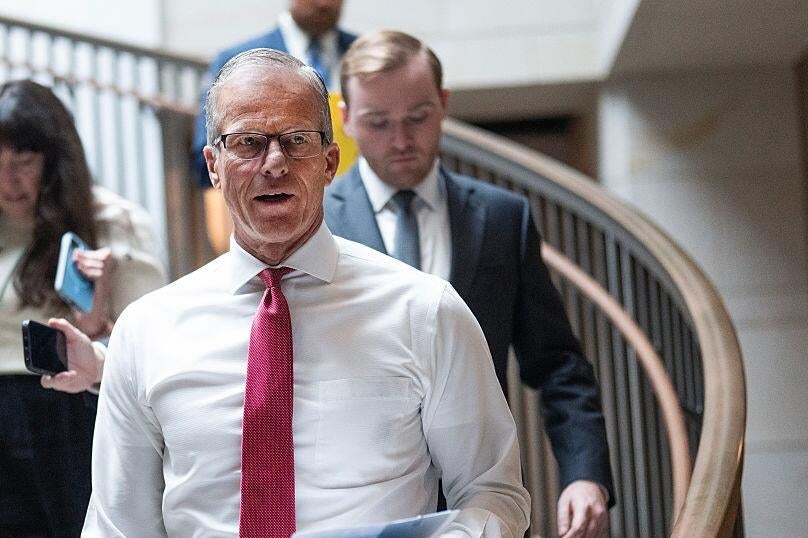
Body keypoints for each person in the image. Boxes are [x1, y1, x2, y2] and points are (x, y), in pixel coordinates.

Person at [79, 48, 530, 537]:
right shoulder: (146, 331)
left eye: (296, 141)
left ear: (329, 161)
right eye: (248, 142)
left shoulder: (425, 311)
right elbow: (117, 525)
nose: (275, 163)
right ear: (213, 166)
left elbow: (492, 492)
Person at [324, 30, 614, 538]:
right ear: (346, 118)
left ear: (444, 103)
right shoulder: (316, 226)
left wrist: (585, 474)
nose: (400, 140)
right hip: (358, 511)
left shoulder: (503, 218)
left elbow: (558, 364)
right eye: (378, 122)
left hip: (485, 505)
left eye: (418, 117)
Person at [0, 80, 167, 538]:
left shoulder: (111, 222)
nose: (6, 181)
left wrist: (96, 321)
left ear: (54, 160)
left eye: (23, 162)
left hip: (76, 407)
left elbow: (151, 350)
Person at [190, 0, 357, 189]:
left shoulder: (365, 57)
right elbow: (204, 162)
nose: (324, 3)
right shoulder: (235, 62)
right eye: (249, 141)